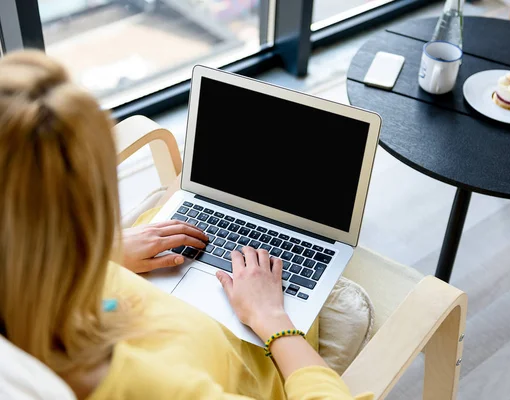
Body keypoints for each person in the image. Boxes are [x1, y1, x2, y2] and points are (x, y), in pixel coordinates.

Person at [0, 50, 371, 400]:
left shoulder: (31, 299)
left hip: (136, 272)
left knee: (186, 205)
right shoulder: (155, 387)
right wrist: (273, 319)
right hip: (263, 337)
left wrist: (100, 260)